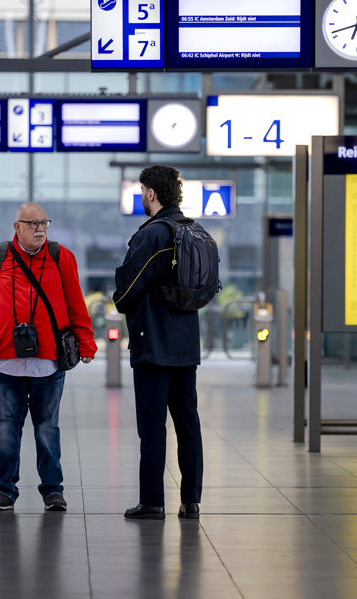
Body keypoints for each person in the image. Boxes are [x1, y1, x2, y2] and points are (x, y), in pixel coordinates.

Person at [0, 203, 97, 512]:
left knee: (47, 428)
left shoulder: (61, 257)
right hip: (5, 361)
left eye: (43, 222)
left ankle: (52, 490)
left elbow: (75, 302)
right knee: (7, 429)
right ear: (16, 227)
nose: (39, 228)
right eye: (32, 223)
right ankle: (4, 489)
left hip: (48, 361)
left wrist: (86, 343)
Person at [113, 165, 204, 521]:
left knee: (152, 426)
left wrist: (120, 299)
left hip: (153, 342)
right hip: (186, 344)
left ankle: (152, 501)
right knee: (187, 422)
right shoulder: (193, 230)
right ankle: (191, 501)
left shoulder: (152, 234)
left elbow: (129, 284)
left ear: (151, 193)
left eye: (142, 191)